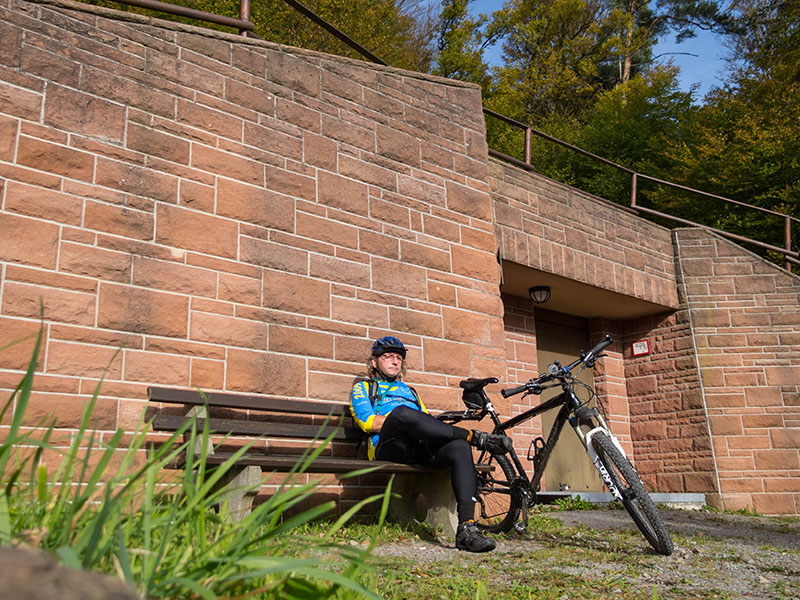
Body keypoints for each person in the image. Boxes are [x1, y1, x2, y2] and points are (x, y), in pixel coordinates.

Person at [349, 336, 512, 553]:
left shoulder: (410, 391)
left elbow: (425, 421)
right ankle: (475, 437)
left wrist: (432, 428)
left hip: (417, 446)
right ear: (374, 363)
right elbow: (367, 422)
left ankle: (466, 529)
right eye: (387, 357)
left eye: (398, 358)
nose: (395, 361)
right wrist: (403, 419)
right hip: (388, 446)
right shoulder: (363, 386)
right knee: (402, 414)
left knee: (458, 447)